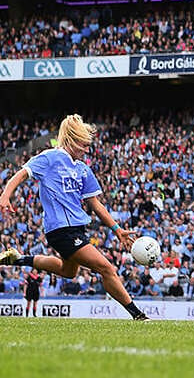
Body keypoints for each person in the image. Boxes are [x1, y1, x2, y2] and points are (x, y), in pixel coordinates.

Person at [0, 115, 148, 320]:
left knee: (69, 272)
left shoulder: (83, 169)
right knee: (106, 268)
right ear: (70, 139)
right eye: (83, 145)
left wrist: (117, 230)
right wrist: (6, 195)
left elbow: (95, 204)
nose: (87, 150)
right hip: (61, 229)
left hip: (77, 229)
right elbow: (22, 174)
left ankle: (19, 258)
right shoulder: (50, 158)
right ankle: (138, 315)